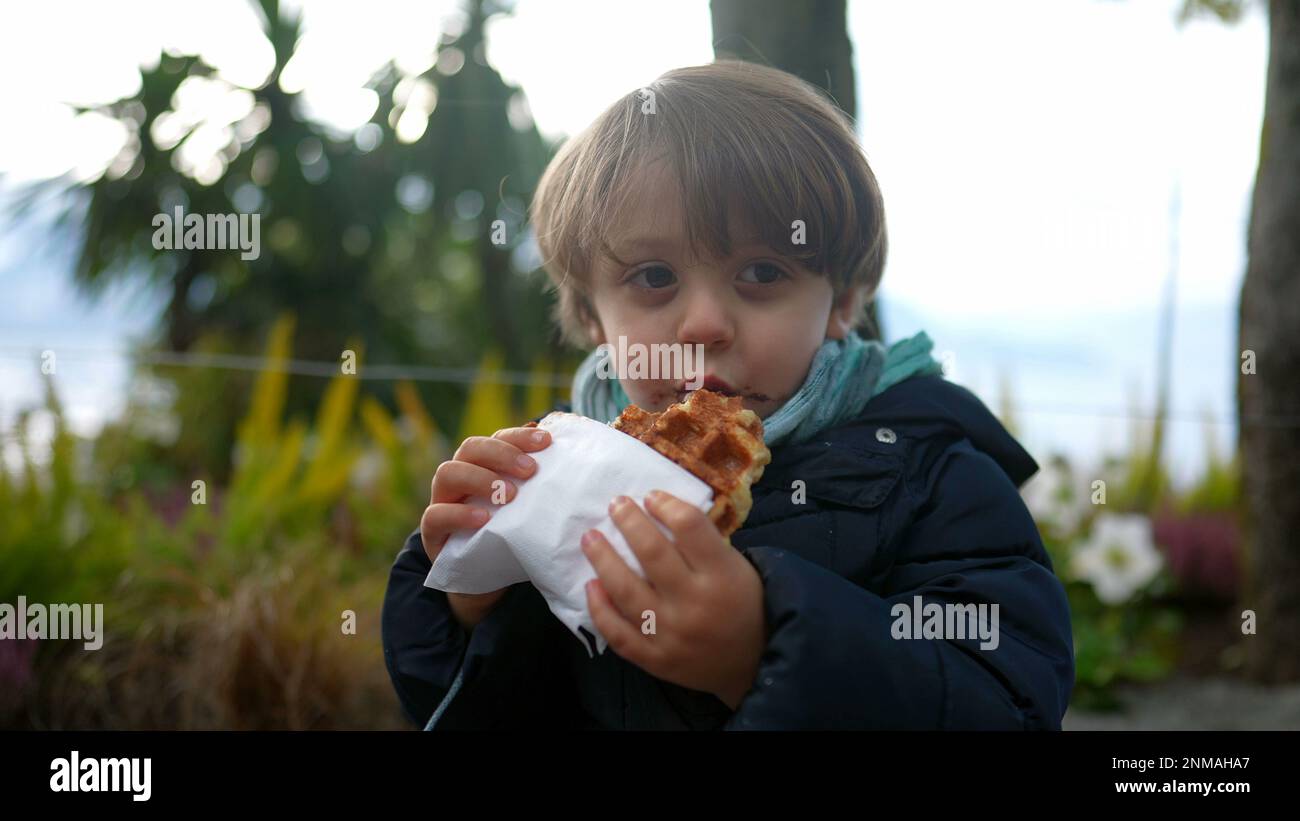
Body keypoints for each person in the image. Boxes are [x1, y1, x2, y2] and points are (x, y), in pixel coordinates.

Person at [382, 60, 1075, 730]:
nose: (705, 322)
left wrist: (764, 652)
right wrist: (475, 605)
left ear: (844, 302)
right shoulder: (544, 475)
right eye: (654, 276)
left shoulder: (932, 476)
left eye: (762, 271)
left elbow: (1004, 700)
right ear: (593, 317)